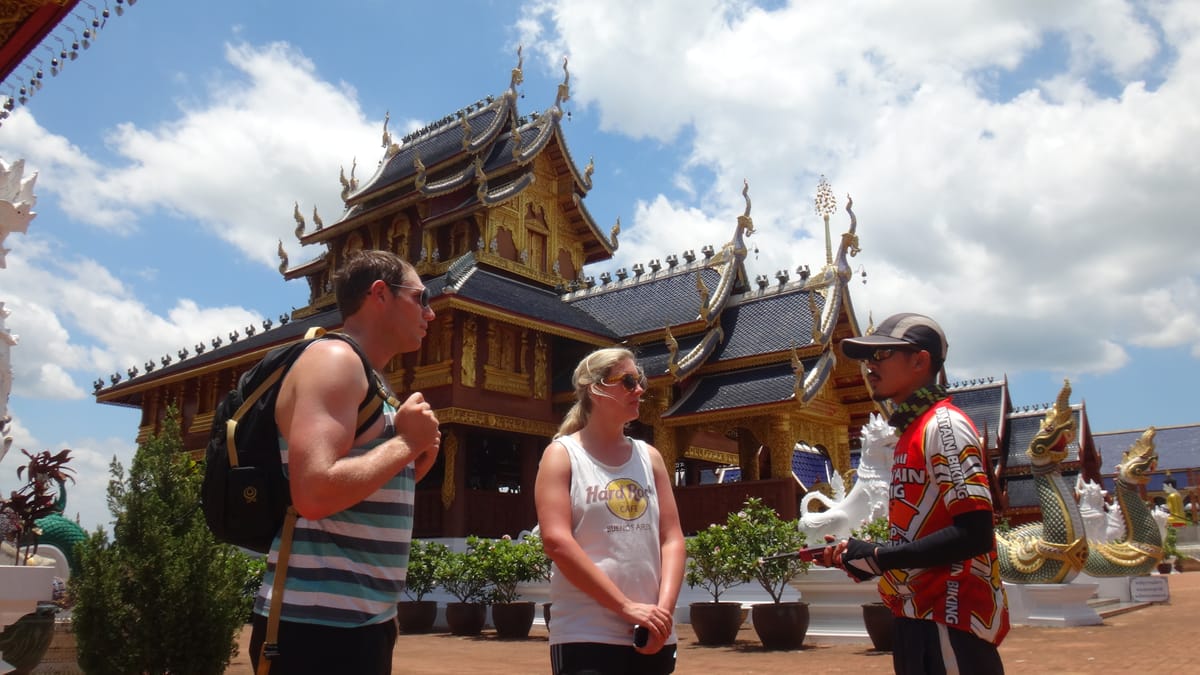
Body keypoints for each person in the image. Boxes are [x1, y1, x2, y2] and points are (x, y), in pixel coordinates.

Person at [249, 250, 442, 674]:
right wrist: (407, 443)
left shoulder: (371, 377)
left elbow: (362, 490)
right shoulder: (334, 361)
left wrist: (416, 457)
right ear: (379, 294)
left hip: (361, 620)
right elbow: (314, 492)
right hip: (317, 628)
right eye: (420, 297)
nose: (430, 312)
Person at [823, 312, 1009, 674]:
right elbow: (920, 531)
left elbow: (974, 533)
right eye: (866, 358)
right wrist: (860, 558)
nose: (868, 367)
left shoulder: (944, 427)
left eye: (880, 356)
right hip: (915, 616)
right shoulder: (911, 432)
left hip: (949, 618)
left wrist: (879, 556)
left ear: (920, 361)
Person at [534, 347, 686, 675]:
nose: (640, 390)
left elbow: (672, 538)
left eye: (639, 380)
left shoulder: (650, 457)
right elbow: (556, 542)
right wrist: (626, 607)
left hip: (652, 632)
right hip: (586, 632)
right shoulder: (562, 455)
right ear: (596, 389)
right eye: (629, 382)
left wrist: (662, 613)